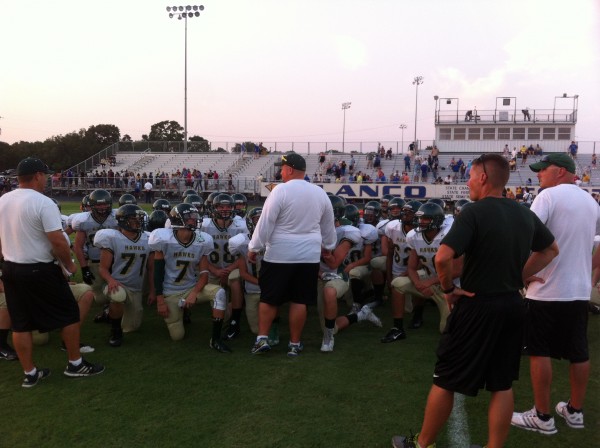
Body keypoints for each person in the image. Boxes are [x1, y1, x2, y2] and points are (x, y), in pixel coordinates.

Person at [392, 153, 558, 448]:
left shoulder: (473, 212)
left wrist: (447, 288)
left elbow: (443, 257)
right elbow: (550, 250)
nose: (467, 180)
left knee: (446, 378)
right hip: (513, 307)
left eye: (470, 174)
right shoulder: (524, 212)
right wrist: (520, 275)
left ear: (483, 177)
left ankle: (422, 444)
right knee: (501, 384)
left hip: (478, 305)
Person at [511, 153, 600, 435]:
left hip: (547, 288)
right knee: (578, 351)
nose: (539, 175)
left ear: (560, 171)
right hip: (579, 289)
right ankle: (574, 411)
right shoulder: (590, 202)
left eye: (543, 170)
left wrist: (519, 274)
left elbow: (526, 236)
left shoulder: (548, 197)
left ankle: (542, 416)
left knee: (540, 351)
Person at [0, 157, 104, 388]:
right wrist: (69, 265)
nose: (46, 179)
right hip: (39, 268)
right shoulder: (42, 202)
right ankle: (75, 364)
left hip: (11, 268)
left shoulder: (3, 200)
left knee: (21, 323)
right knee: (69, 314)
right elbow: (57, 241)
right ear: (37, 175)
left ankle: (30, 373)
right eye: (45, 175)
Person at [248, 153, 337, 356]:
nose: (280, 172)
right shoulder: (319, 193)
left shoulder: (280, 190)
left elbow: (266, 222)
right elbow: (328, 225)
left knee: (270, 298)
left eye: (282, 168)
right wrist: (329, 246)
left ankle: (262, 339)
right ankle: (294, 345)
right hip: (308, 255)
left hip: (280, 253)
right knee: (300, 300)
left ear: (289, 169)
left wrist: (254, 247)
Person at [94, 204, 153, 347]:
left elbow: (151, 269)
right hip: (117, 283)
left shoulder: (148, 238)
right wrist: (111, 280)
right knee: (118, 296)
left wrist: (152, 290)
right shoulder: (112, 237)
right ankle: (115, 331)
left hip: (136, 287)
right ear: (123, 220)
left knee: (132, 327)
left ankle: (109, 313)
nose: (138, 222)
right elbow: (103, 268)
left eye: (139, 218)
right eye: (133, 219)